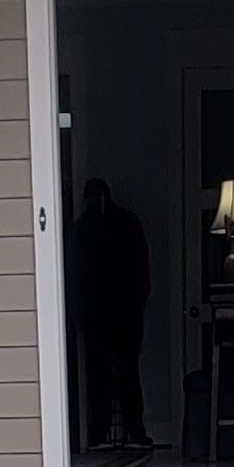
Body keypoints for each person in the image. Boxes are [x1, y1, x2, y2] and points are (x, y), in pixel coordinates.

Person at [71, 177, 152, 451]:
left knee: (100, 373)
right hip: (125, 311)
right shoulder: (127, 223)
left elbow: (76, 276)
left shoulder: (82, 228)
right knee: (127, 370)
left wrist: (79, 312)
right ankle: (133, 430)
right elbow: (142, 271)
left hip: (100, 313)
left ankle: (100, 432)